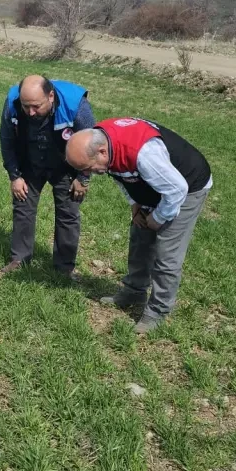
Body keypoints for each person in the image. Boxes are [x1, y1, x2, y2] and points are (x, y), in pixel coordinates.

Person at [64, 117, 212, 332]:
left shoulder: (144, 153)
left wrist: (158, 218)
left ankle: (158, 311)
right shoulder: (104, 144)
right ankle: (134, 291)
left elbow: (176, 189)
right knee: (140, 237)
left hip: (187, 186)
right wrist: (135, 204)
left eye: (88, 168)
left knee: (166, 252)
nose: (88, 174)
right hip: (155, 185)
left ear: (103, 152)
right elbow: (119, 175)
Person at [0, 74, 96, 279]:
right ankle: (19, 260)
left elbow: (92, 143)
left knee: (68, 212)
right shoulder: (13, 101)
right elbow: (6, 140)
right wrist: (14, 176)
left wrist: (83, 177)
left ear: (51, 96)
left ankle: (64, 268)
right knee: (23, 207)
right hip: (30, 161)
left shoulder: (75, 104)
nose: (30, 112)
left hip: (65, 164)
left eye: (36, 106)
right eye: (26, 107)